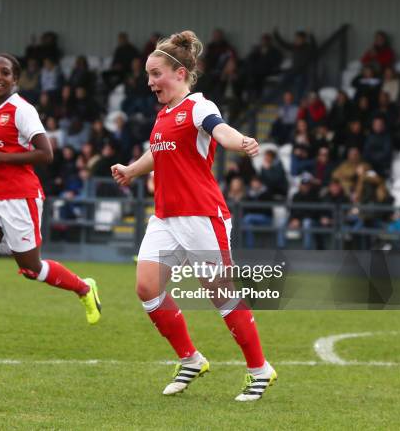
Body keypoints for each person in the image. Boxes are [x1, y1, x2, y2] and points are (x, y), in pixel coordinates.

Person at [110, 31, 276, 402]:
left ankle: (260, 369)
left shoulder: (198, 106)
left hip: (202, 216)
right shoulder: (163, 116)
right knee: (147, 288)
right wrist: (132, 170)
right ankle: (190, 358)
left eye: (156, 74)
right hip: (166, 216)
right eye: (148, 75)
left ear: (180, 73)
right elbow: (159, 152)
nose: (150, 82)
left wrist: (242, 141)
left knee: (220, 294)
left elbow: (219, 129)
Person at [0, 53, 101, 350]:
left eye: (5, 73)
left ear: (15, 79)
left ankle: (83, 287)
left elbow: (45, 154)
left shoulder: (22, 110)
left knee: (31, 268)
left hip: (19, 197)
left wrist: (2, 158)